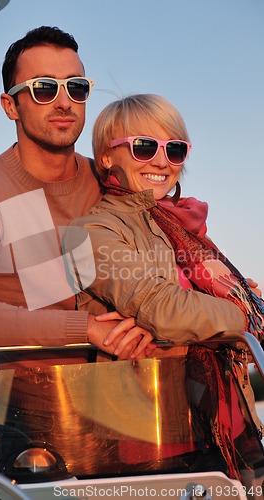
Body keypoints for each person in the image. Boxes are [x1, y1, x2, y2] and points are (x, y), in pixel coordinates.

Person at [0, 26, 147, 477]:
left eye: (76, 87)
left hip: (141, 404)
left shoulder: (113, 181)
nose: (64, 101)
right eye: (44, 88)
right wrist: (82, 328)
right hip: (38, 423)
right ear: (10, 104)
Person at [68, 94, 264, 489]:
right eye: (144, 147)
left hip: (226, 419)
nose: (162, 162)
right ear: (107, 157)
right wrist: (244, 314)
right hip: (149, 436)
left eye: (174, 149)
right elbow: (163, 309)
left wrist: (224, 303)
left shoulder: (179, 227)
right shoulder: (90, 232)